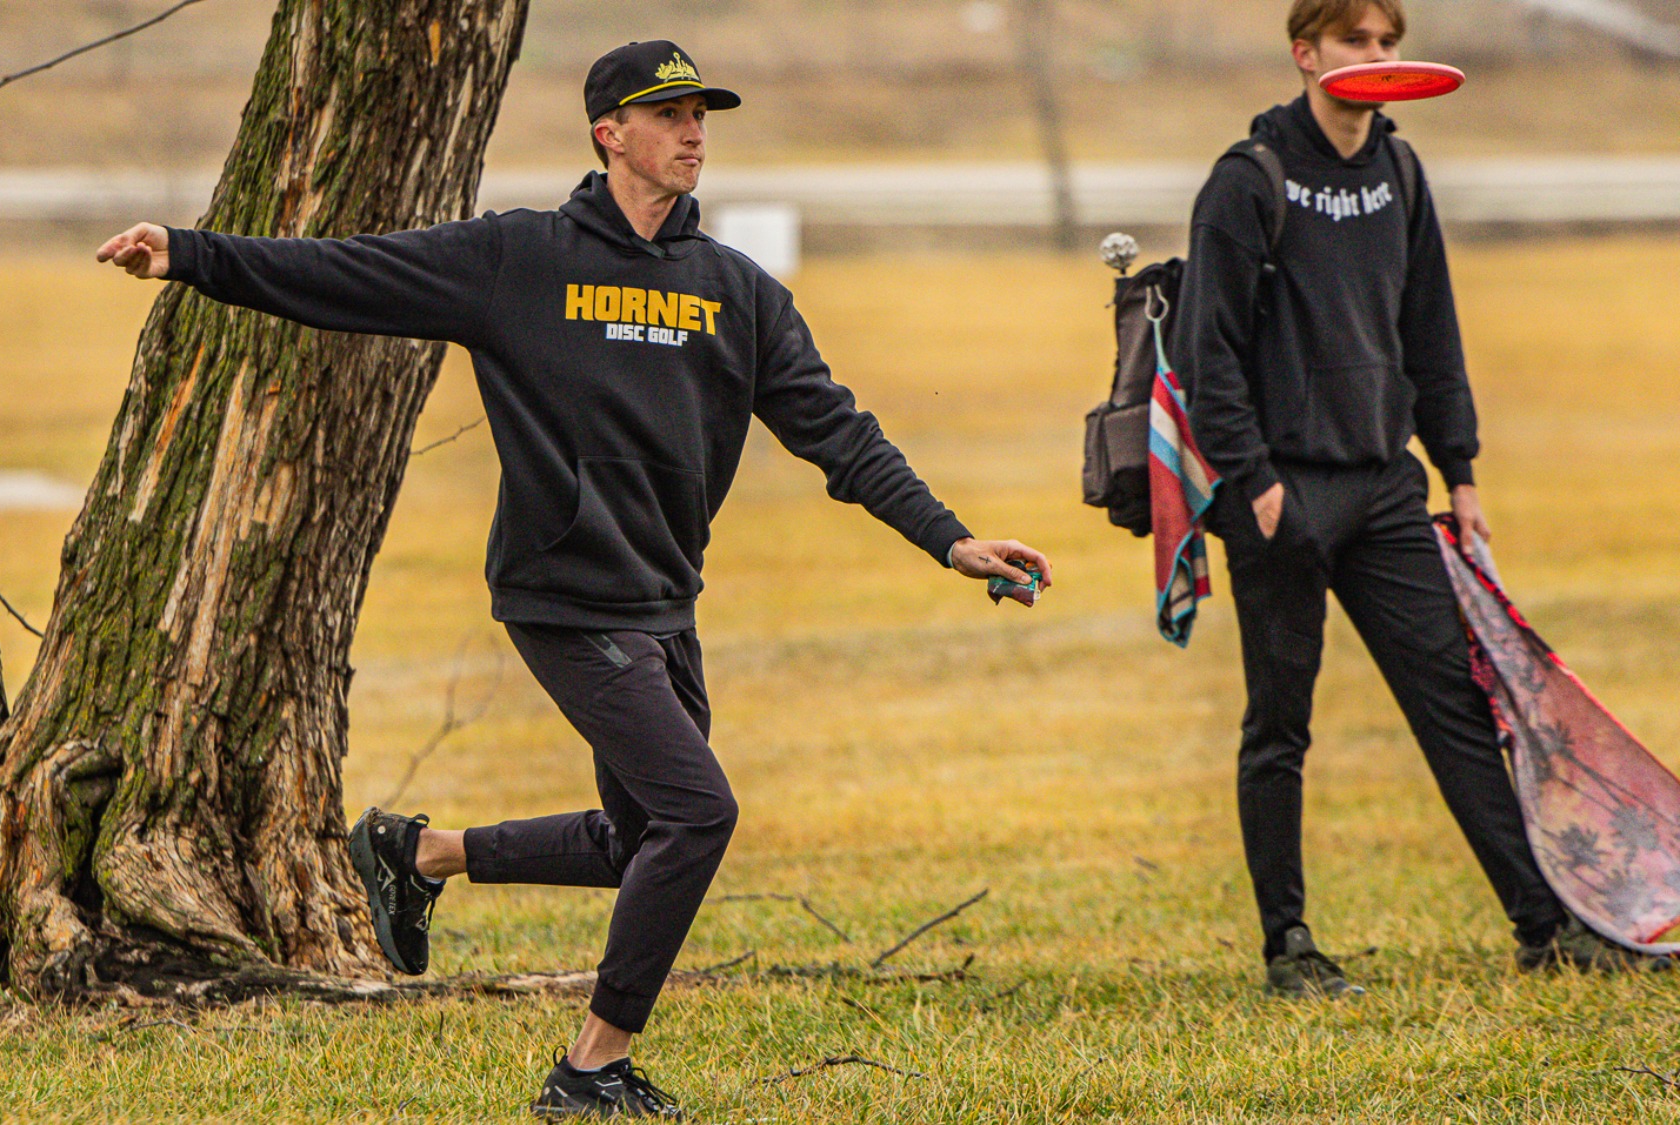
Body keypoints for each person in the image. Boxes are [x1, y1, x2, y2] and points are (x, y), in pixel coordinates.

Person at [99, 40, 1051, 1118]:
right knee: (697, 814)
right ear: (610, 133)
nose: (693, 132)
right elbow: (347, 275)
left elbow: (837, 433)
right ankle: (590, 1067)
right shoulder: (519, 259)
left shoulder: (737, 292)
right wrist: (190, 253)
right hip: (562, 593)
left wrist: (948, 539)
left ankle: (418, 854)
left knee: (642, 836)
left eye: (701, 114)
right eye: (669, 114)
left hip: (663, 599)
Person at [1176, 0, 1667, 999]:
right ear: (1305, 53)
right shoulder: (1248, 179)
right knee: (1279, 728)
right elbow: (1204, 347)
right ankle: (1288, 947)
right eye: (1355, 40)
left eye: (1388, 42)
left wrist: (1460, 468)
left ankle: (1544, 927)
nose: (1376, 56)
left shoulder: (1398, 170)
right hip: (1281, 495)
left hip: (1384, 486)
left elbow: (1430, 326)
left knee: (1456, 707)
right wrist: (1252, 481)